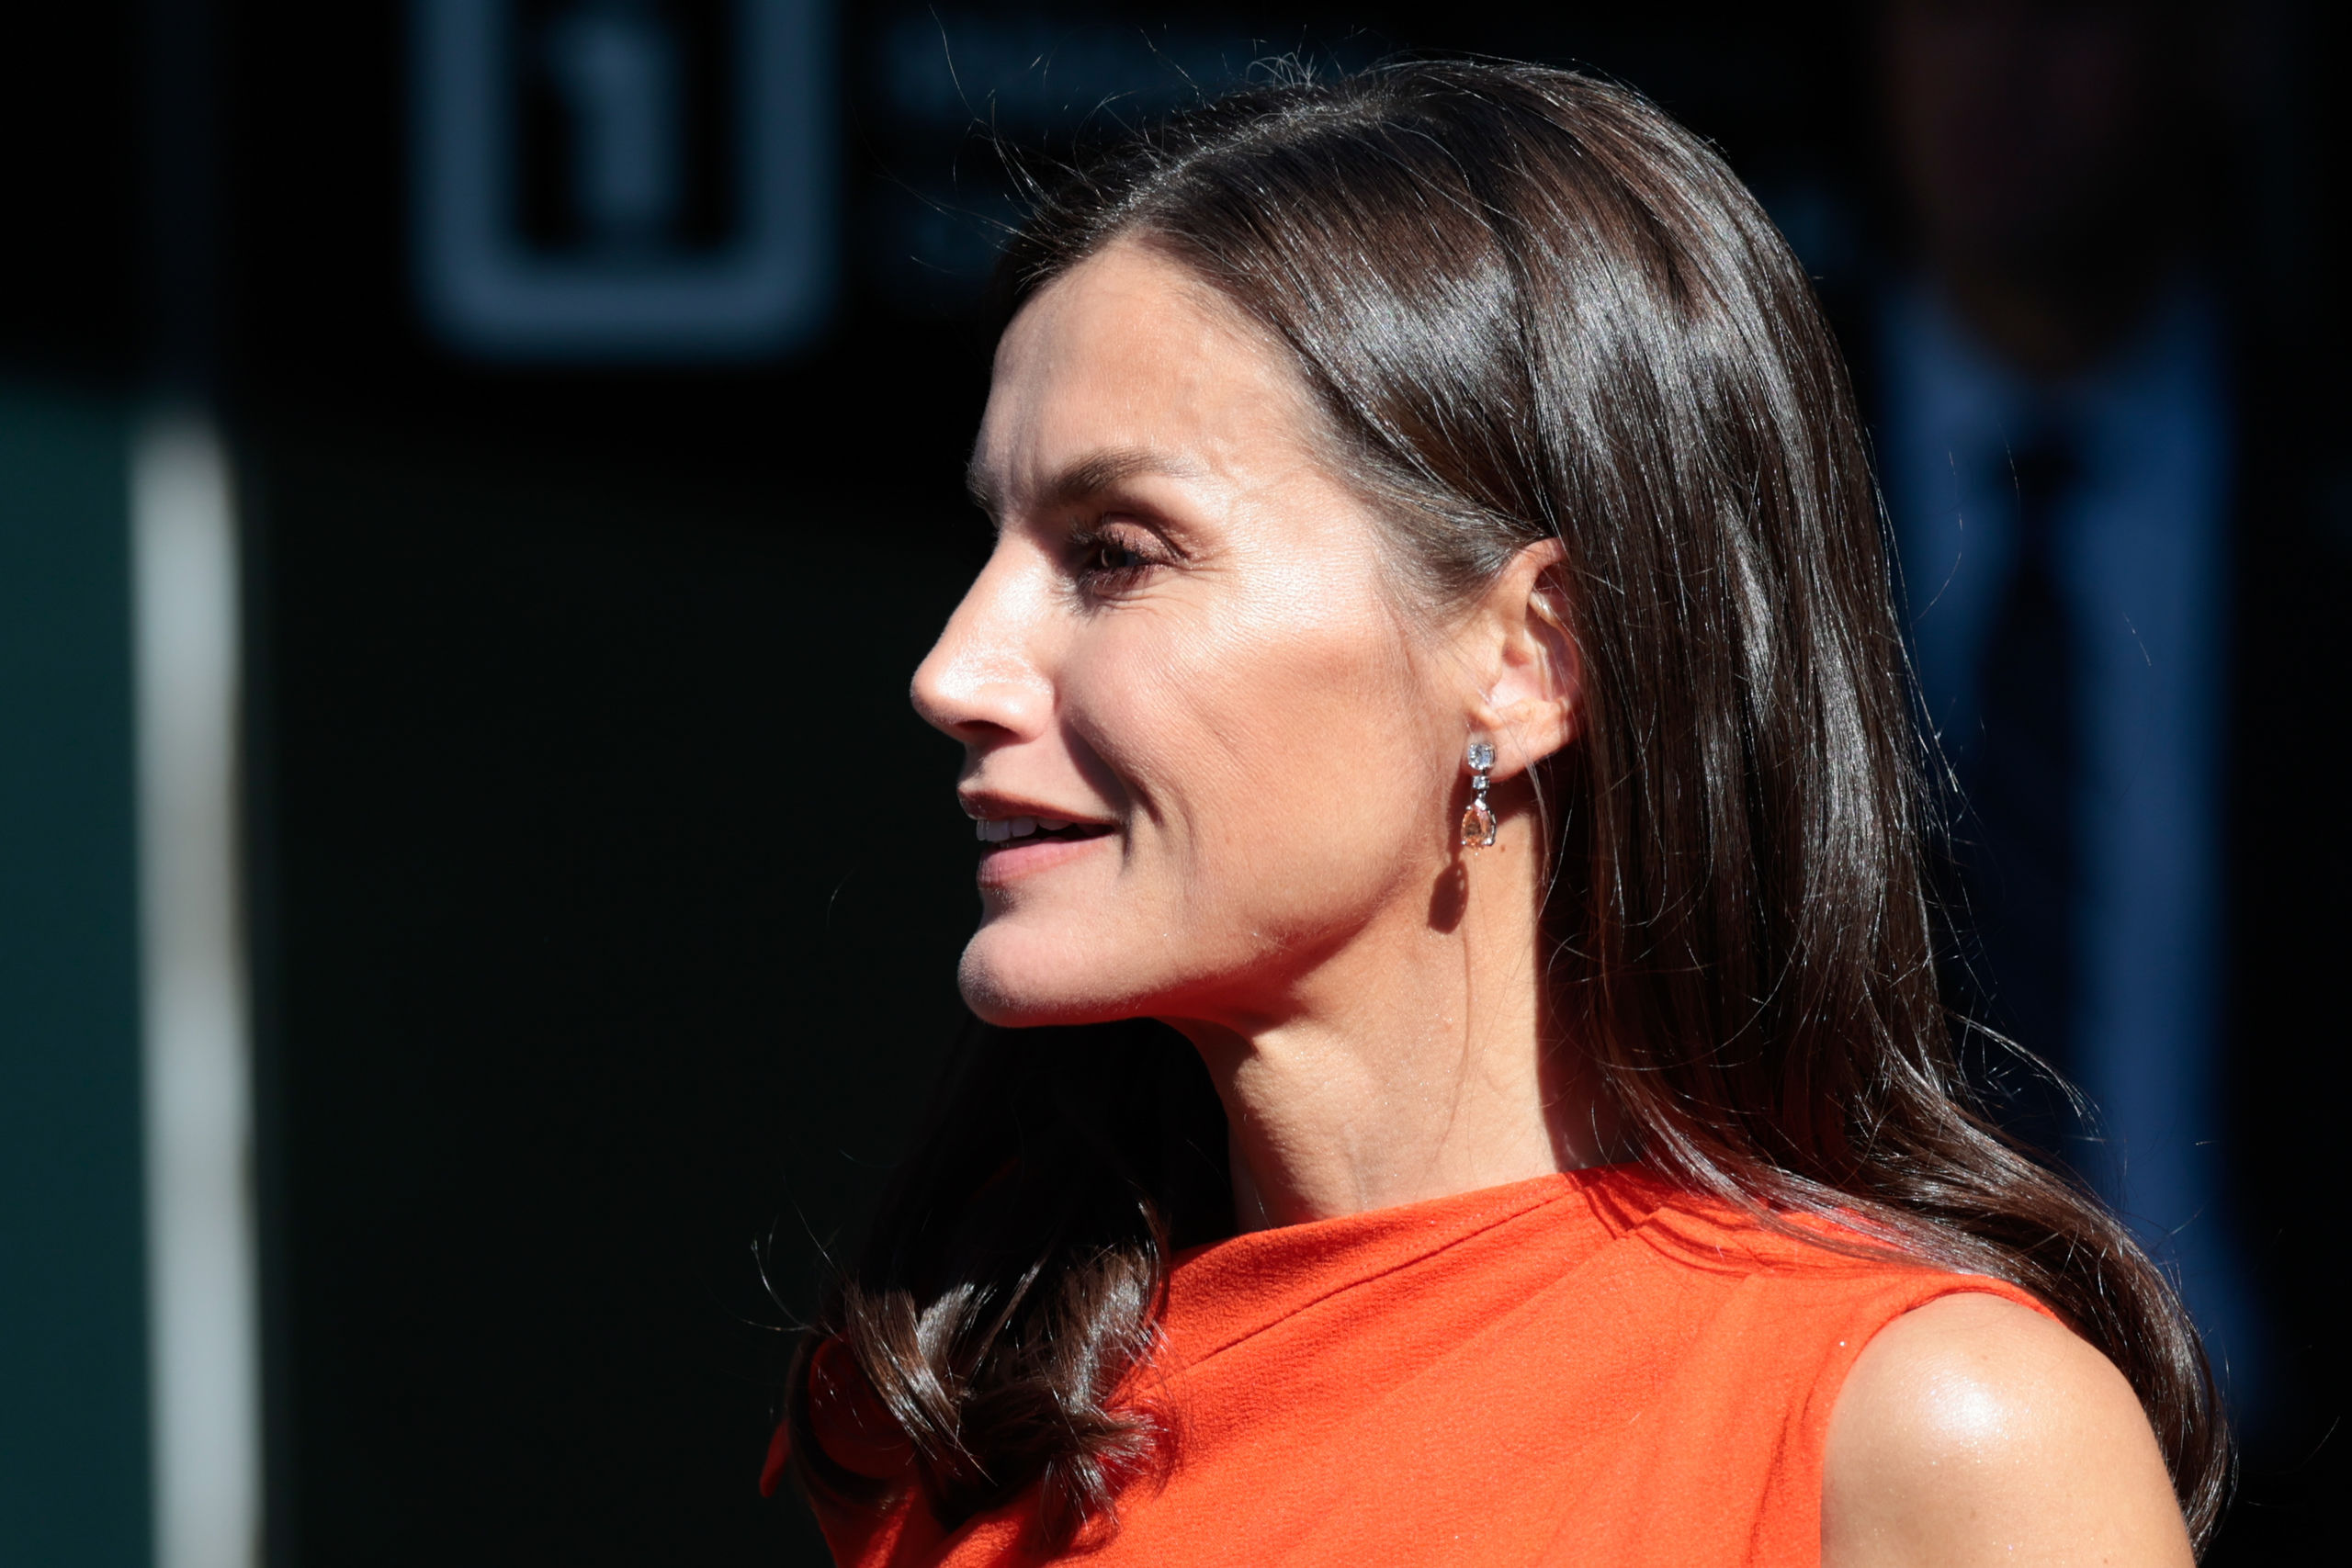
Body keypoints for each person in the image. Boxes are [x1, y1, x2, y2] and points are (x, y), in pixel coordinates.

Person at [768, 63, 2223, 1565]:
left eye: (1116, 552)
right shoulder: (967, 1420)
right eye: (995, 542)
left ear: (1531, 658)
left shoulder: (1926, 1432)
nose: (955, 670)